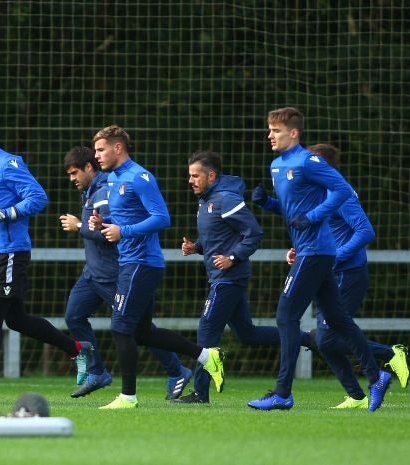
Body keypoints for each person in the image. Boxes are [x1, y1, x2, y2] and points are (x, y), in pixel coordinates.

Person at [247, 107, 391, 411]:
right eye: (269, 130)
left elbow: (340, 191)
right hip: (310, 250)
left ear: (294, 133)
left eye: (276, 130)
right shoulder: (277, 166)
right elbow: (294, 211)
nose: (270, 135)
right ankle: (376, 375)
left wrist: (313, 216)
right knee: (338, 319)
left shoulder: (309, 161)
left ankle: (283, 392)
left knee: (286, 316)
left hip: (317, 251)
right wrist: (268, 204)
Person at [0, 112, 92, 405]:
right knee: (15, 319)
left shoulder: (8, 163)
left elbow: (38, 197)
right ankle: (78, 348)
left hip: (10, 252)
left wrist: (8, 213)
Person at [87, 125, 224, 410]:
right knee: (143, 333)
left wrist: (122, 231)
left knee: (120, 328)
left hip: (142, 263)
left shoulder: (140, 177)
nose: (96, 155)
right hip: (130, 262)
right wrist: (103, 222)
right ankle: (207, 357)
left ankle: (128, 397)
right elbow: (124, 214)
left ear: (118, 148)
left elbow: (162, 218)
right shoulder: (112, 178)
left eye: (100, 150)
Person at [272, 143, 410, 409]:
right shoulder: (320, 194)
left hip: (348, 273)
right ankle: (357, 395)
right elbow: (326, 233)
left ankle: (389, 354)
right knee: (324, 340)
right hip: (328, 271)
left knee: (326, 338)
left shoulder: (341, 195)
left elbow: (365, 231)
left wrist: (335, 257)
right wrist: (299, 251)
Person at [175, 150, 311, 405]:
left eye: (195, 176)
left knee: (206, 330)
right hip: (222, 276)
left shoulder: (226, 199)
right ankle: (304, 338)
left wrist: (233, 258)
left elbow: (254, 233)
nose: (190, 181)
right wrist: (197, 247)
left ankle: (200, 393)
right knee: (247, 334)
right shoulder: (206, 201)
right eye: (189, 176)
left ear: (211, 175)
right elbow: (219, 237)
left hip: (229, 277)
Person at [59, 146, 192, 400]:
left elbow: (112, 232)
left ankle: (176, 370)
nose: (72, 179)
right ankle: (98, 372)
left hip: (113, 271)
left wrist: (79, 226)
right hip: (92, 274)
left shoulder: (107, 190)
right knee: (74, 315)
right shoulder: (90, 191)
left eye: (75, 173)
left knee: (135, 329)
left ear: (89, 168)